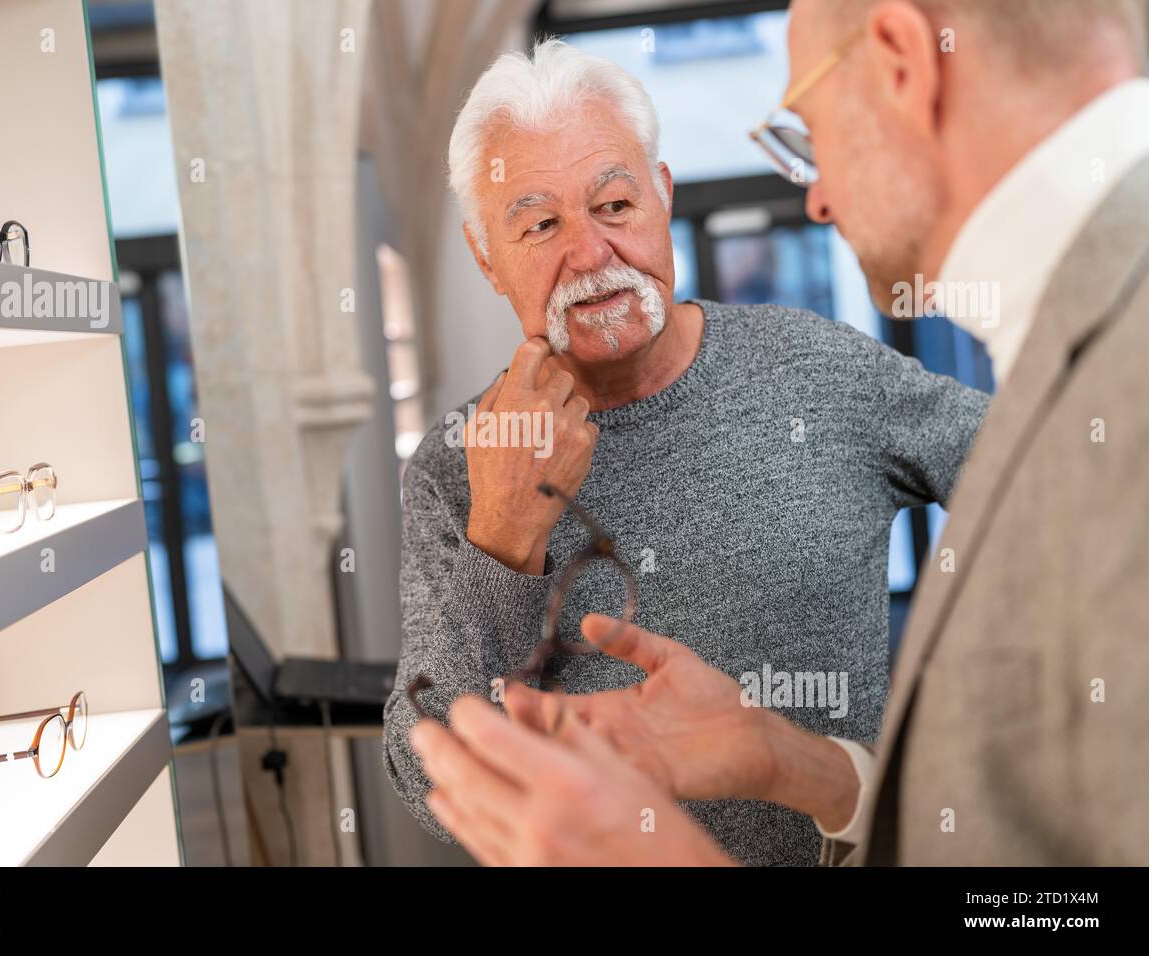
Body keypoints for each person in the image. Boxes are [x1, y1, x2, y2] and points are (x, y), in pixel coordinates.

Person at [410, 0, 1149, 866]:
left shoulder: (819, 365)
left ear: (662, 195)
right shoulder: (454, 466)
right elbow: (430, 778)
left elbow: (1059, 478)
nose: (591, 252)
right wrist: (500, 538)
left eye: (614, 202)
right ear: (485, 255)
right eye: (540, 225)